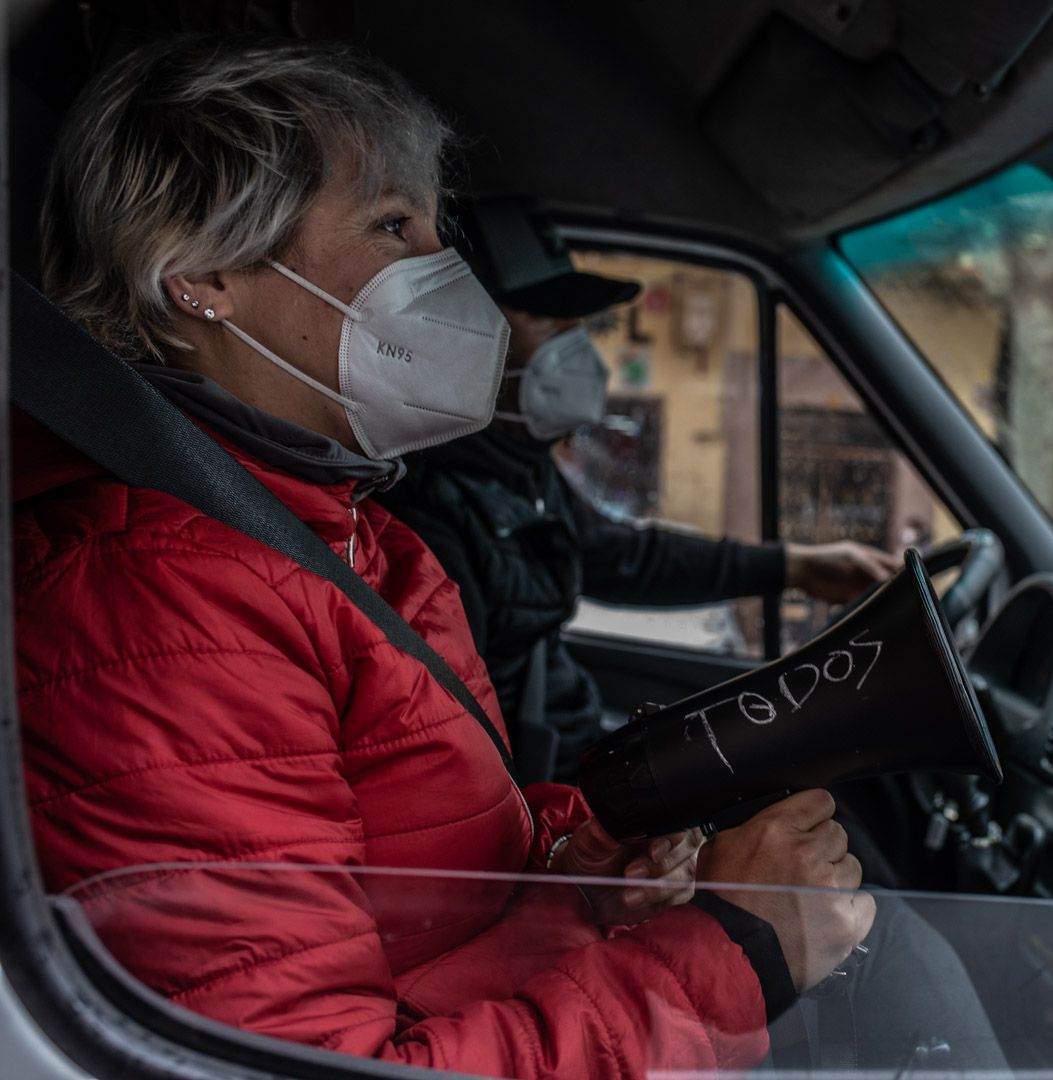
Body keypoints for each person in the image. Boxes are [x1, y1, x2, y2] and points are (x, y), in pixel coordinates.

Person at [16, 35, 875, 1076]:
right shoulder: (159, 606)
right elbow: (302, 1062)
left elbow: (420, 884)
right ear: (203, 274)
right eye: (392, 225)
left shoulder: (347, 530)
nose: (442, 270)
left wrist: (584, 852)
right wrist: (738, 956)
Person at [379, 199, 900, 783]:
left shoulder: (511, 461)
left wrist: (794, 566)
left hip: (571, 752)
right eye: (551, 324)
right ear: (451, 339)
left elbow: (617, 557)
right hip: (534, 789)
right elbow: (450, 752)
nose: (578, 349)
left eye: (579, 327)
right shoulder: (420, 512)